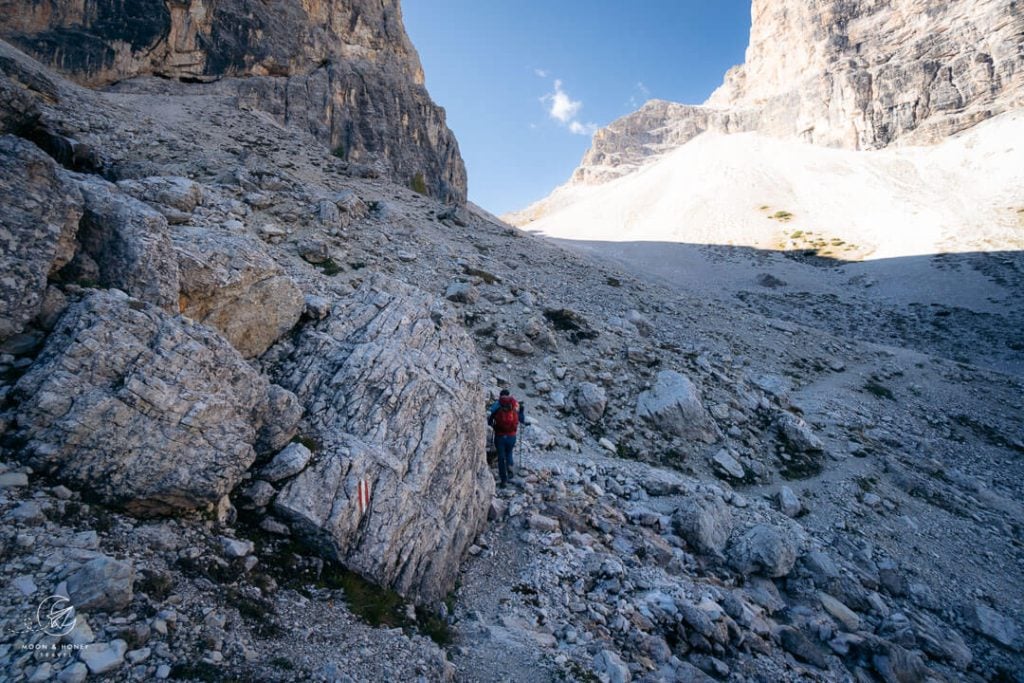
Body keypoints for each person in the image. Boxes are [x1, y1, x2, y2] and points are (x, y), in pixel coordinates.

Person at [487, 389, 526, 487]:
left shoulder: (497, 404)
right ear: (509, 396)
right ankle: (510, 472)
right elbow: (521, 419)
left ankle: (503, 480)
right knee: (509, 452)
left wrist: (493, 426)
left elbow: (490, 421)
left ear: (500, 396)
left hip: (500, 436)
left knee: (501, 457)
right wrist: (522, 410)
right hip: (512, 436)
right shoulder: (514, 405)